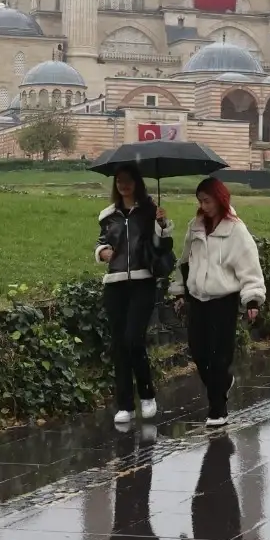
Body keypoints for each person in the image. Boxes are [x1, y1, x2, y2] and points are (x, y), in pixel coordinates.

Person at [169, 176, 266, 427]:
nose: (204, 205)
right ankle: (222, 383)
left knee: (219, 354)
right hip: (198, 298)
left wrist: (252, 300)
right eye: (200, 201)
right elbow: (185, 261)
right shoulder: (195, 227)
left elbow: (249, 266)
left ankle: (217, 409)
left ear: (219, 199)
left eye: (208, 200)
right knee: (199, 351)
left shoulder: (235, 229)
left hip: (224, 299)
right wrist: (179, 292)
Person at [96, 165, 175, 426]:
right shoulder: (107, 215)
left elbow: (163, 246)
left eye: (128, 181)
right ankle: (125, 405)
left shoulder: (150, 211)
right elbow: (101, 242)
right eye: (119, 181)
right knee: (119, 345)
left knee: (133, 339)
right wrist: (102, 252)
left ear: (137, 183)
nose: (124, 185)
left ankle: (147, 394)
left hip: (143, 282)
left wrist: (162, 225)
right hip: (115, 284)